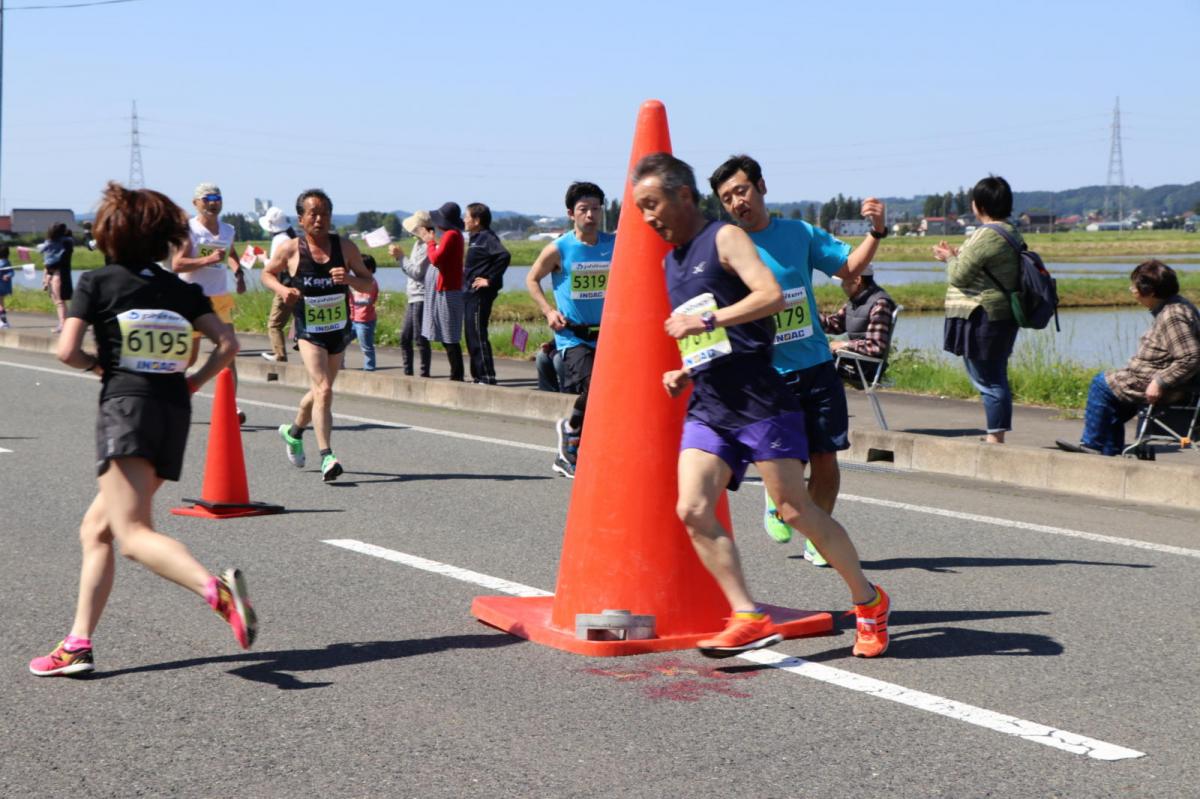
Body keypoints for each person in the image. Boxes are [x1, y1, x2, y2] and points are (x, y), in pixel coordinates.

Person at [632, 153, 889, 659]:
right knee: (692, 508)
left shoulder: (726, 238)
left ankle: (869, 601)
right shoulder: (670, 262)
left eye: (651, 204)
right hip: (710, 404)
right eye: (639, 208)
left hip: (760, 398)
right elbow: (709, 333)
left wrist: (706, 322)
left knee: (795, 509)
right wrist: (687, 367)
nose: (646, 217)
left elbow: (771, 296)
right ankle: (748, 615)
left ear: (682, 195)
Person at [28, 181, 254, 677]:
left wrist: (98, 367)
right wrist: (194, 381)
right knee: (97, 529)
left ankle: (215, 591)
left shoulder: (99, 282)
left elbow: (66, 351)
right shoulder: (181, 289)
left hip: (127, 408)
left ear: (112, 233)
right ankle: (77, 644)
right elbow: (228, 344)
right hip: (173, 411)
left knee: (131, 535)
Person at [709, 155, 886, 564]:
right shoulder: (727, 247)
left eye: (741, 190)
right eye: (727, 198)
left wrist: (877, 231)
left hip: (816, 365)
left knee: (826, 459)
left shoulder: (798, 233)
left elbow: (848, 267)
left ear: (761, 187)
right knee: (783, 458)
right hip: (766, 374)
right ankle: (777, 499)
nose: (736, 202)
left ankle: (819, 538)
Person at [262, 189, 376, 481]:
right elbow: (267, 274)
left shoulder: (345, 248)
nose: (319, 219)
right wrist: (283, 290)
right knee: (324, 389)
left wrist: (349, 278)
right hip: (309, 331)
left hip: (338, 330)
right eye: (313, 213)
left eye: (325, 213)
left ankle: (294, 432)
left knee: (319, 392)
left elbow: (368, 284)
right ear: (301, 219)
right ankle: (327, 456)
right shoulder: (290, 249)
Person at [1057, 260, 1200, 455]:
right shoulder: (1176, 305)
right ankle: (1108, 451)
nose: (1131, 290)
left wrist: (1159, 382)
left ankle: (1093, 444)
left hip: (1163, 383)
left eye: (1134, 286)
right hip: (1155, 377)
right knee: (1113, 402)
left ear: (1149, 292)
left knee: (1101, 385)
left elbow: (1190, 357)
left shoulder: (1172, 315)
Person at [525, 182, 614, 478]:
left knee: (612, 392)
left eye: (595, 209)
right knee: (595, 387)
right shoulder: (559, 248)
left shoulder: (614, 244)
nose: (590, 215)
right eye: (583, 209)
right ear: (570, 213)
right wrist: (549, 311)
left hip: (608, 334)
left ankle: (576, 442)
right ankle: (571, 429)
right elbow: (532, 279)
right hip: (573, 336)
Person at [933, 175, 1021, 445]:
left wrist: (950, 258)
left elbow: (959, 276)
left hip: (982, 314)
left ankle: (995, 438)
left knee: (989, 379)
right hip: (996, 313)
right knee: (993, 375)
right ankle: (996, 435)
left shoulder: (987, 234)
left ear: (979, 205)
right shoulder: (1009, 230)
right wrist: (956, 256)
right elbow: (978, 267)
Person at [171, 182, 248, 423]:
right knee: (189, 358)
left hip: (220, 298)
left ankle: (230, 407)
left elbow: (230, 253)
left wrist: (238, 273)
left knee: (228, 353)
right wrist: (208, 260)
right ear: (195, 203)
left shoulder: (227, 230)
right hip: (191, 299)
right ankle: (173, 398)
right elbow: (177, 264)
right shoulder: (189, 230)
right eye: (207, 199)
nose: (213, 203)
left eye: (217, 198)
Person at [820, 266, 897, 385]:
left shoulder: (880, 304)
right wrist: (811, 317)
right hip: (854, 361)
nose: (842, 285)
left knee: (815, 364)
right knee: (814, 354)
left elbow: (875, 346)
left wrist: (844, 345)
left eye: (843, 280)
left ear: (857, 280)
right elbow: (835, 325)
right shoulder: (855, 300)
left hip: (866, 368)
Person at [463, 202, 511, 384]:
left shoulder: (486, 237)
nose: (464, 220)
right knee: (470, 335)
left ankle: (487, 377)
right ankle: (477, 376)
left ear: (476, 220)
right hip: (469, 293)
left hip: (480, 295)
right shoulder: (475, 238)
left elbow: (504, 256)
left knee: (477, 334)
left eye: (467, 216)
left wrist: (489, 280)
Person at [420, 202, 466, 381]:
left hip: (448, 289)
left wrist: (430, 242)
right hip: (450, 288)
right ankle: (456, 374)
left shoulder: (450, 235)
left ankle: (457, 375)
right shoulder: (456, 234)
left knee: (449, 336)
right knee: (449, 335)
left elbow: (435, 259)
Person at [391, 210, 433, 377]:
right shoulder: (418, 244)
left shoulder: (428, 246)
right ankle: (408, 373)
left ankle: (424, 375)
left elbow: (417, 273)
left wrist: (401, 257)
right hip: (413, 296)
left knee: (419, 338)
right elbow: (412, 270)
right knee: (405, 337)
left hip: (421, 296)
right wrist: (400, 258)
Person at [259, 206, 298, 363]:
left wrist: (264, 260)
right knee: (300, 318)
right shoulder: (290, 237)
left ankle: (279, 354)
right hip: (296, 284)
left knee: (274, 324)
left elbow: (276, 267)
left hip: (284, 285)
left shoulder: (279, 240)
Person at [39, 222, 75, 332]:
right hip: (58, 273)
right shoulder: (67, 242)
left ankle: (63, 325)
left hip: (57, 273)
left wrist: (46, 277)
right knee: (59, 301)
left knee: (59, 301)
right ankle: (64, 324)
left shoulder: (53, 243)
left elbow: (44, 255)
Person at [351, 254, 379, 371]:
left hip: (365, 320)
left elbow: (368, 300)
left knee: (366, 346)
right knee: (341, 342)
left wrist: (353, 300)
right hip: (352, 319)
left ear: (370, 269)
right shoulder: (356, 281)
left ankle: (369, 369)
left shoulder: (372, 283)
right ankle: (339, 366)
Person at [0, 244, 12, 328]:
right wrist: (8, 275)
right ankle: (4, 321)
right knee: (1, 303)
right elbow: (11, 272)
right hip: (5, 286)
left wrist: (7, 275)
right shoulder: (7, 262)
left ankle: (3, 322)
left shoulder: (2, 262)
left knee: (0, 305)